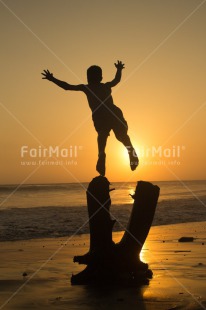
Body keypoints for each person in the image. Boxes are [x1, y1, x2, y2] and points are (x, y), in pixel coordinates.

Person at [41, 60, 139, 176]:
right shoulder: (106, 86)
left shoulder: (86, 88)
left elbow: (67, 87)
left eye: (89, 76)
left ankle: (102, 154)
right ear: (101, 77)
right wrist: (119, 69)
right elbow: (116, 80)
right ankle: (129, 151)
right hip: (113, 113)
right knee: (121, 136)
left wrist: (52, 79)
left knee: (102, 135)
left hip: (101, 115)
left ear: (90, 77)